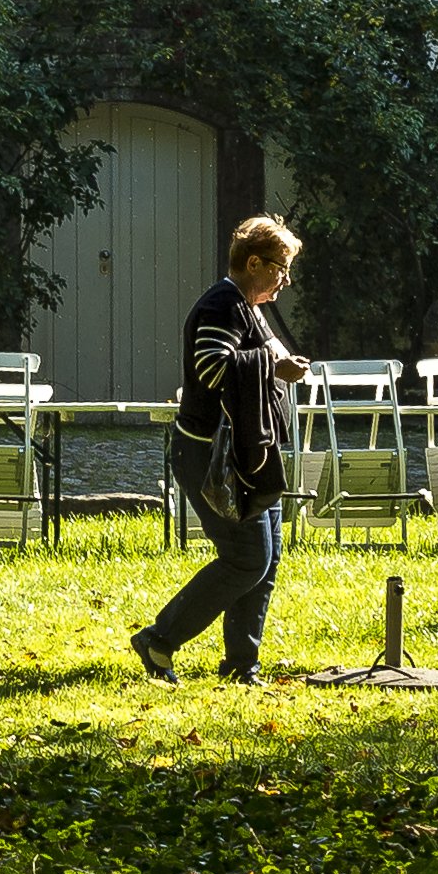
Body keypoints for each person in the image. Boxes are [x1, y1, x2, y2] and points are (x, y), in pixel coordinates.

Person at [134, 214, 309, 684]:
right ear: (254, 262)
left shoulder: (249, 306)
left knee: (266, 560)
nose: (285, 281)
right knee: (247, 558)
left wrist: (278, 363)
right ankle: (158, 639)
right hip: (210, 456)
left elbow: (252, 358)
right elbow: (213, 369)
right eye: (280, 269)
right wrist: (275, 370)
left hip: (247, 452)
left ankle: (241, 665)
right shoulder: (222, 305)